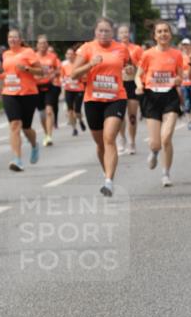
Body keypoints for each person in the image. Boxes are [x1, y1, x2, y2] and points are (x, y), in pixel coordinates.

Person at [70, 17, 129, 197]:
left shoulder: (121, 49)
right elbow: (73, 74)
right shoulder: (87, 48)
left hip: (115, 98)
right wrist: (90, 64)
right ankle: (107, 173)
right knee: (100, 143)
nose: (103, 34)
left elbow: (127, 66)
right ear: (95, 32)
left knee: (109, 138)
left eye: (107, 31)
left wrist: (130, 72)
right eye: (100, 31)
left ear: (113, 32)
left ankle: (109, 181)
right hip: (93, 100)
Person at [135, 21, 184, 187]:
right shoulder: (148, 54)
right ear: (155, 36)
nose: (163, 34)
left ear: (170, 35)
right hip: (151, 97)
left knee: (167, 138)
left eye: (166, 31)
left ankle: (166, 173)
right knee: (156, 142)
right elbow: (137, 75)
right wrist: (140, 85)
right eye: (160, 31)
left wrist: (178, 80)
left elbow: (180, 77)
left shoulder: (177, 54)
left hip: (170, 97)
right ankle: (154, 152)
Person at [0, 28, 42, 171]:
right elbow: (8, 73)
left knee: (26, 127)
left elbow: (40, 71)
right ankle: (17, 159)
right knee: (15, 124)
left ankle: (34, 145)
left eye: (15, 37)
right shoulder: (5, 54)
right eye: (10, 37)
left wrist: (27, 69)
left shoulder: (28, 53)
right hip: (9, 92)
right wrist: (1, 78)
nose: (12, 40)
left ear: (21, 40)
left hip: (28, 93)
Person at [116, 24, 143, 154]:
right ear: (118, 35)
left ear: (130, 34)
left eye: (126, 32)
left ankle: (132, 142)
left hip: (132, 83)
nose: (124, 35)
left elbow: (143, 66)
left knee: (132, 115)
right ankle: (122, 139)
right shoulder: (114, 49)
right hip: (119, 85)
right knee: (120, 116)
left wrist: (134, 67)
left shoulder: (136, 49)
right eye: (121, 33)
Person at [34, 35, 61, 146]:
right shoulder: (33, 57)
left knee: (49, 110)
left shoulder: (53, 56)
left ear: (47, 45)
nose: (43, 45)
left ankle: (49, 136)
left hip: (50, 86)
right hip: (37, 87)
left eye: (45, 43)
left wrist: (53, 74)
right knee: (42, 114)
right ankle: (46, 133)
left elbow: (58, 69)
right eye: (40, 43)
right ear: (37, 45)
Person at [60, 46, 86, 135]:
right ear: (66, 55)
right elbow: (62, 78)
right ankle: (74, 128)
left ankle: (80, 120)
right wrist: (63, 91)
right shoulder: (63, 64)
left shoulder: (79, 64)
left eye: (72, 54)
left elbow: (84, 77)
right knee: (70, 111)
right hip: (68, 89)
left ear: (75, 55)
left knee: (77, 111)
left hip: (79, 89)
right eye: (68, 54)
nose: (70, 56)